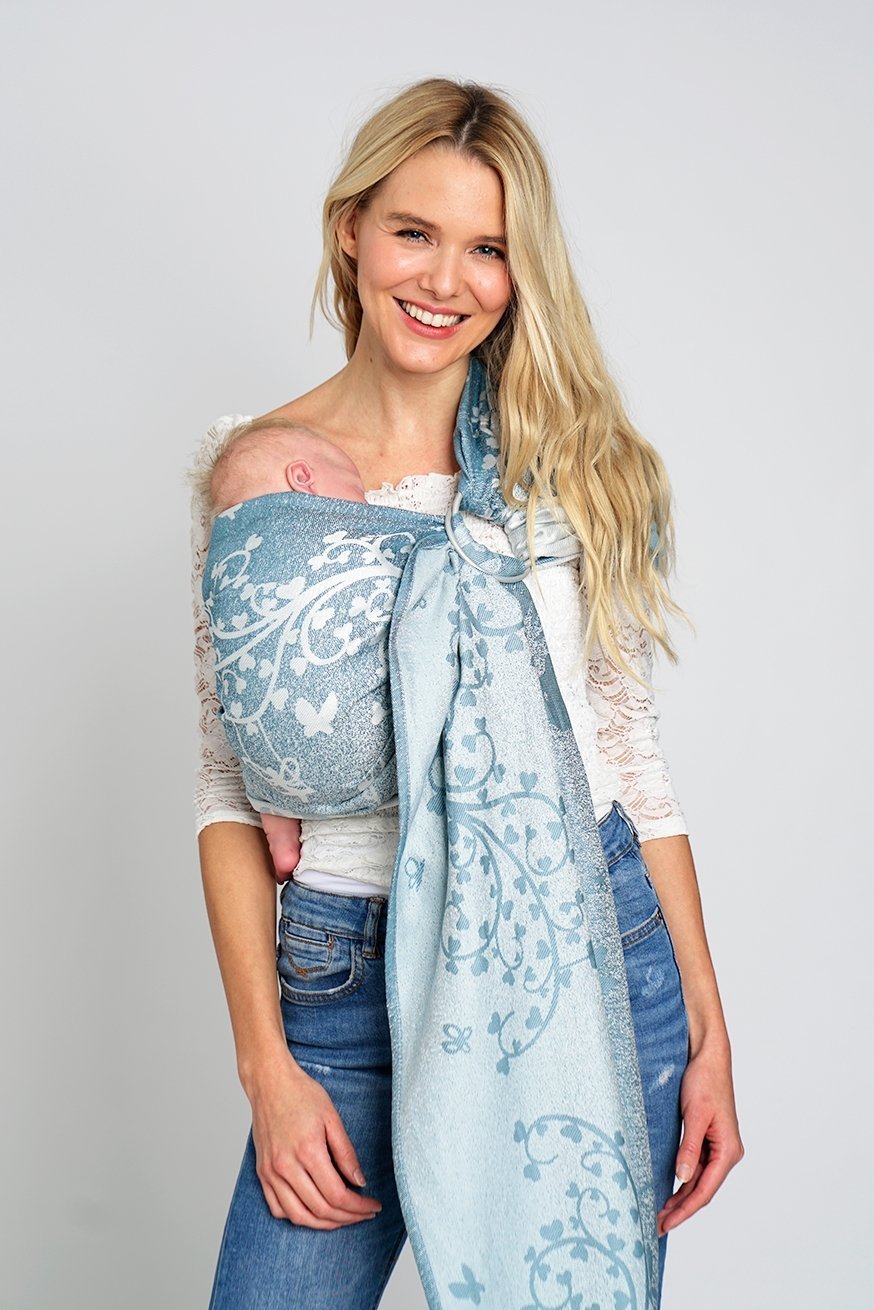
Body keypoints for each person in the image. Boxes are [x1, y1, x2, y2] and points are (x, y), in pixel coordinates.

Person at [188, 77, 744, 1310]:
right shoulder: (261, 476)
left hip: (586, 953)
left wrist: (710, 1032)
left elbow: (628, 758)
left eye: (487, 248)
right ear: (351, 229)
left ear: (518, 268)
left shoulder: (569, 470)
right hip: (342, 972)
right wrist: (266, 1065)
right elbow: (226, 785)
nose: (446, 280)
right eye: (413, 232)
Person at [197, 414, 371, 879]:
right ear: (303, 478)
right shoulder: (319, 538)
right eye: (357, 488)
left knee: (261, 767)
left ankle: (280, 837)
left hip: (263, 744)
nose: (366, 503)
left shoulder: (235, 556)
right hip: (335, 720)